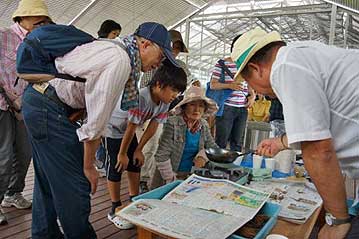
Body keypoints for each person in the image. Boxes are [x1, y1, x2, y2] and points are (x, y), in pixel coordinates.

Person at [22, 21, 179, 239]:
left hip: (39, 101)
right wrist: (88, 167)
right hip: (49, 108)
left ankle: (44, 234)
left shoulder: (114, 47)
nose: (159, 64)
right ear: (145, 45)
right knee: (76, 186)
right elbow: (96, 124)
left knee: (46, 179)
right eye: (161, 56)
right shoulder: (120, 61)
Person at [231, 27, 359, 239]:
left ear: (256, 69)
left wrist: (337, 220)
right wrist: (282, 142)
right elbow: (321, 127)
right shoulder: (303, 55)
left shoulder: (285, 67)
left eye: (249, 83)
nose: (259, 93)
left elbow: (319, 151)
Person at [104, 63, 187, 229]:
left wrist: (138, 150)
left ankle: (134, 200)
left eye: (178, 92)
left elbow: (153, 126)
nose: (175, 95)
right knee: (117, 166)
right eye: (173, 90)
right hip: (112, 129)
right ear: (158, 85)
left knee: (135, 163)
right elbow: (130, 126)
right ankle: (115, 207)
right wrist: (122, 153)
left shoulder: (164, 101)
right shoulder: (140, 97)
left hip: (129, 130)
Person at [0, 0, 52, 225]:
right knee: (3, 157)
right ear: (22, 17)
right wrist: (12, 100)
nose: (41, 22)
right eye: (37, 18)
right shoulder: (4, 36)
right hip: (2, 105)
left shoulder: (39, 40)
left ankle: (13, 193)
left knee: (24, 152)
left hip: (24, 106)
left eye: (43, 19)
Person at [138, 29, 191, 193]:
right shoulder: (154, 62)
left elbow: (188, 83)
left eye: (177, 50)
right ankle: (143, 178)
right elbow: (144, 85)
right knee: (150, 145)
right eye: (173, 48)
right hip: (151, 109)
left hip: (170, 112)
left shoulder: (181, 66)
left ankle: (155, 179)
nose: (174, 53)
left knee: (163, 146)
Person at [150, 86, 219, 189]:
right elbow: (161, 156)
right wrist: (172, 181)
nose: (197, 109)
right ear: (184, 106)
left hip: (191, 177)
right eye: (192, 104)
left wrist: (202, 156)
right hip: (169, 177)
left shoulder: (203, 125)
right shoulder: (172, 123)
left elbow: (213, 148)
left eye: (201, 106)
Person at [209, 35, 255, 152]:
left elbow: (250, 84)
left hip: (242, 109)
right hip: (227, 107)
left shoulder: (246, 64)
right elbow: (213, 84)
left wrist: (252, 96)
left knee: (237, 143)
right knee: (221, 142)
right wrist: (230, 85)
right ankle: (218, 168)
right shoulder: (222, 64)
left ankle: (234, 169)